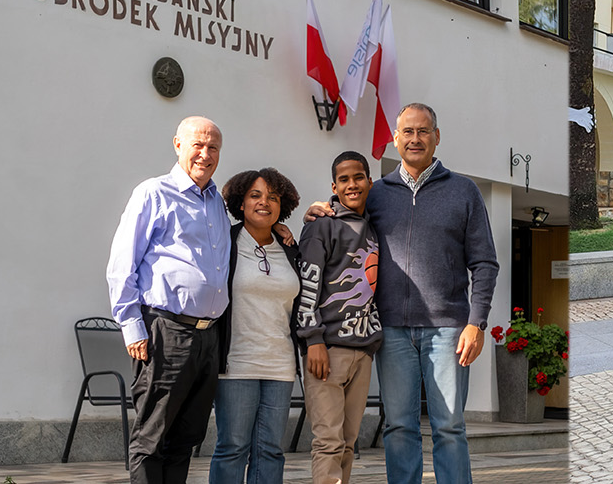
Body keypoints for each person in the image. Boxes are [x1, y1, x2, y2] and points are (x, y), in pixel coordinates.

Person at [310, 103, 499, 484]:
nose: (415, 139)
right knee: (399, 427)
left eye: (423, 131)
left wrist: (476, 323)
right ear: (395, 140)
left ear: (436, 137)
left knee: (449, 426)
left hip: (448, 330)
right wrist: (321, 209)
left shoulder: (464, 191)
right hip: (391, 330)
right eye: (407, 132)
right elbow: (345, 212)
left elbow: (484, 263)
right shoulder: (377, 193)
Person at [107, 116, 232, 484]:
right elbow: (121, 265)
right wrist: (132, 327)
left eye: (213, 148)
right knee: (152, 436)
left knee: (186, 438)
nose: (205, 154)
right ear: (178, 145)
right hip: (165, 332)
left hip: (208, 337)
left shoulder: (218, 203)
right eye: (198, 144)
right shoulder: (153, 193)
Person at [209, 168, 304, 484]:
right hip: (236, 364)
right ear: (240, 202)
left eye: (273, 197)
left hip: (280, 364)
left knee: (271, 450)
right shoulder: (226, 241)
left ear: (282, 205)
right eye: (255, 195)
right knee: (232, 447)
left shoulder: (290, 249)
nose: (264, 202)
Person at [294, 151, 382, 484]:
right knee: (328, 442)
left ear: (370, 182)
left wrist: (371, 346)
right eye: (343, 179)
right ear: (334, 185)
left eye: (358, 177)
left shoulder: (374, 228)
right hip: (327, 351)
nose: (352, 185)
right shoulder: (322, 227)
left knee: (347, 444)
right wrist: (313, 339)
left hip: (363, 349)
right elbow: (307, 286)